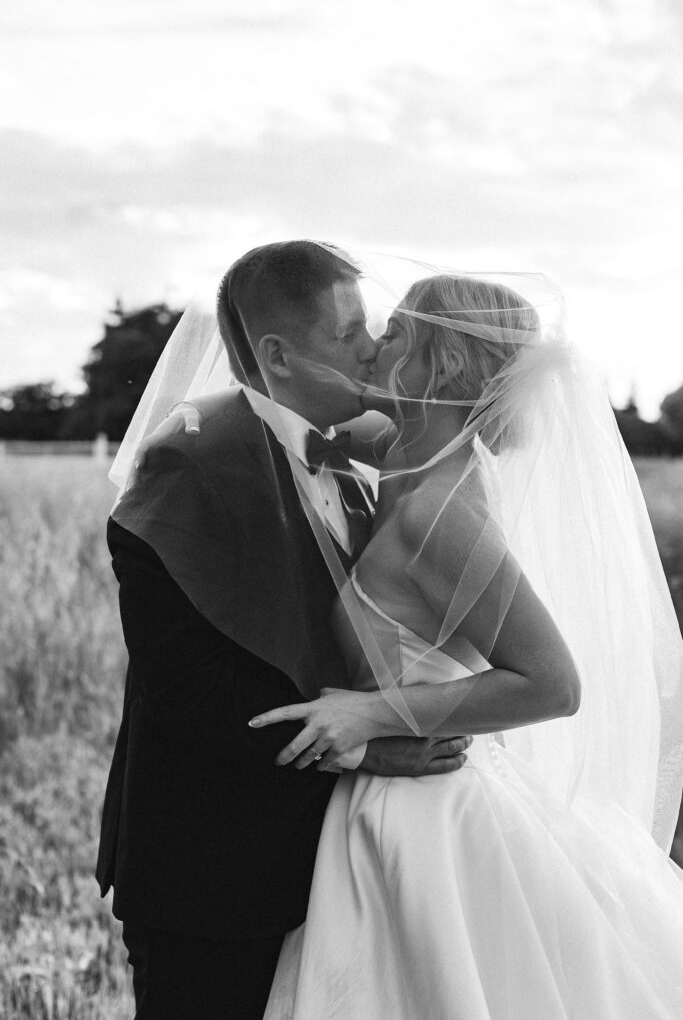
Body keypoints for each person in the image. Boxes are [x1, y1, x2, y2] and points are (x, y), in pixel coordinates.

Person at [205, 268, 682, 1019]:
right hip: (375, 801)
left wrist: (370, 715)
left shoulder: (442, 512)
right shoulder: (396, 453)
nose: (367, 349)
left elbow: (552, 685)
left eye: (391, 332)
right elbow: (285, 423)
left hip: (428, 815)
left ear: (441, 363)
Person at [96, 242, 471, 1020]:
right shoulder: (187, 466)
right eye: (347, 333)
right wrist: (365, 745)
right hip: (212, 873)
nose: (371, 347)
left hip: (327, 864)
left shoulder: (347, 455)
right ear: (278, 354)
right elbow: (189, 692)